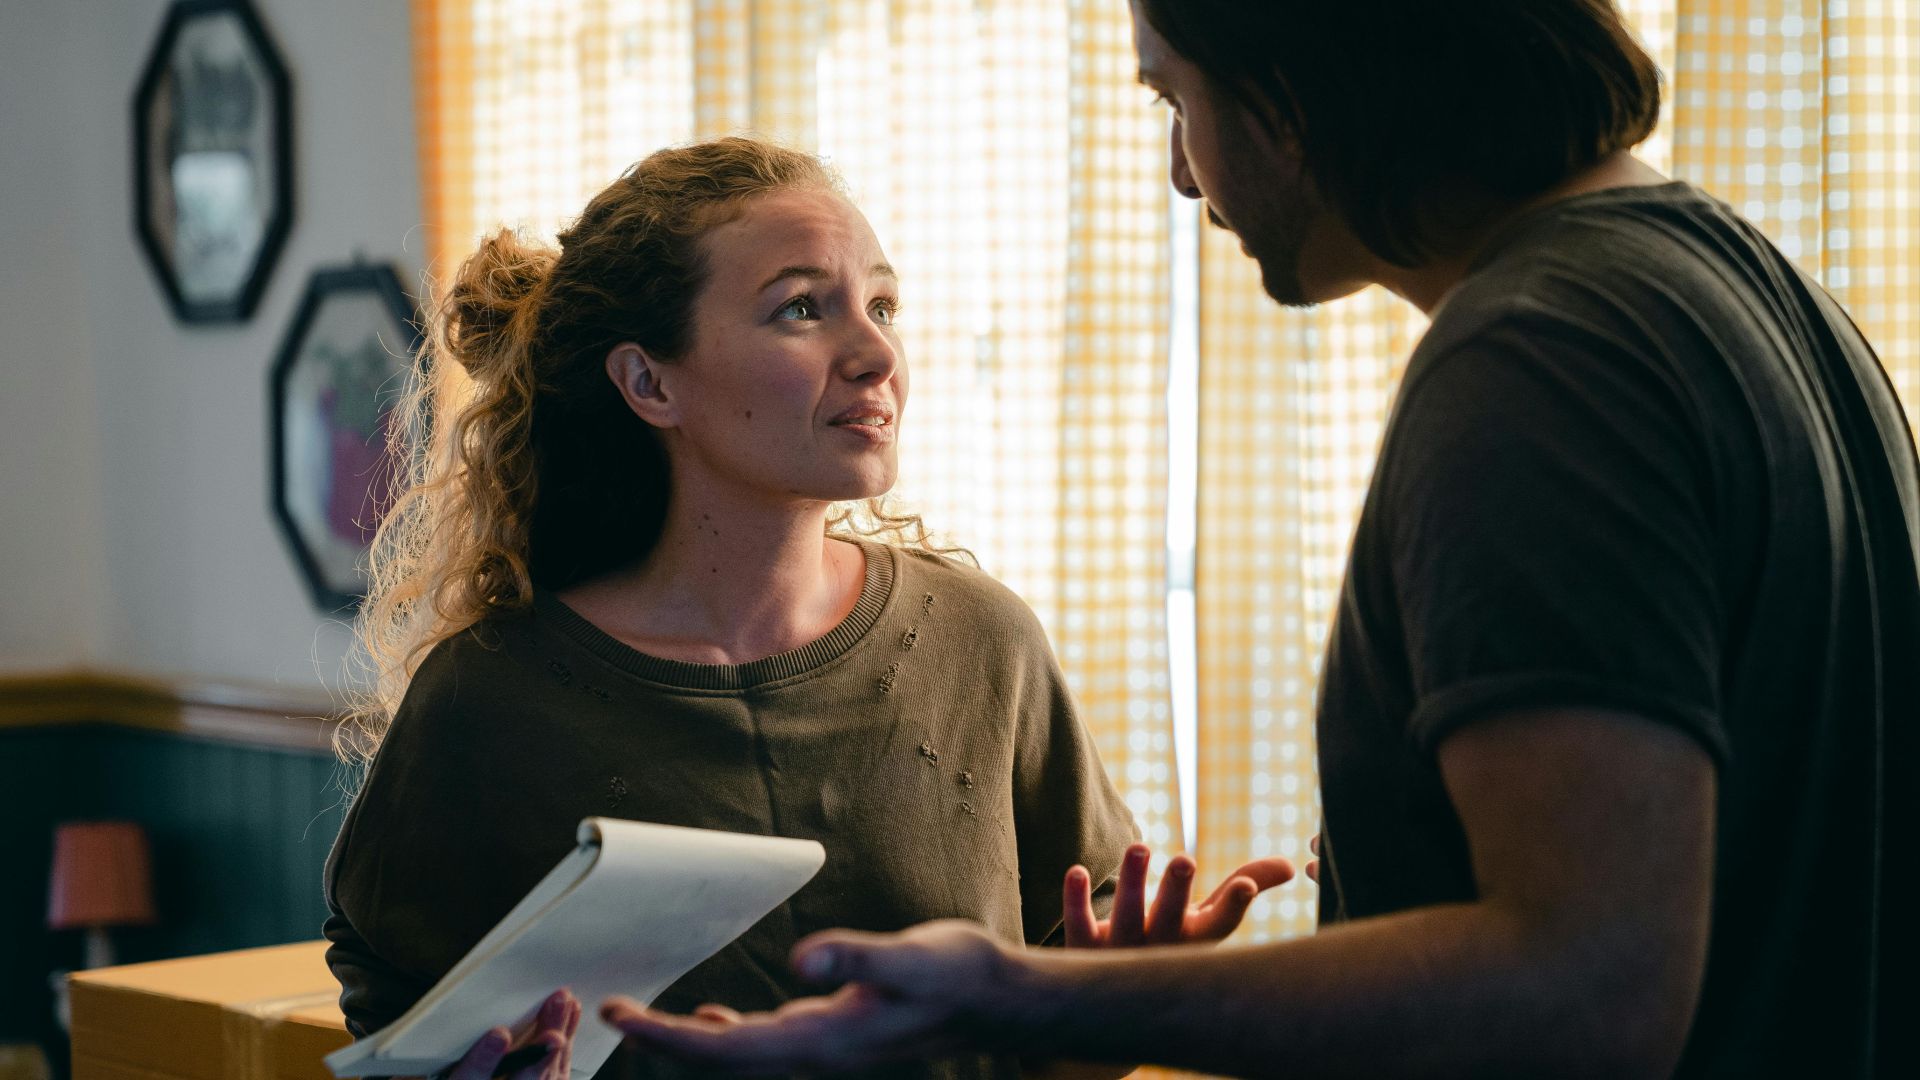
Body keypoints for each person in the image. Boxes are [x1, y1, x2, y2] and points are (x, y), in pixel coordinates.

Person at [602, 3, 1920, 1077]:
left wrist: (1016, 996)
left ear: (1294, 80)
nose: (1182, 171)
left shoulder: (1541, 359)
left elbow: (1589, 993)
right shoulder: (1759, 292)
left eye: (1178, 100)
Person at [321, 135, 1290, 1080]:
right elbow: (392, 995)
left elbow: (1051, 1030)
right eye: (800, 310)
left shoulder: (983, 642)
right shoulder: (489, 696)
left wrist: (1119, 1007)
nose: (875, 353)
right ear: (649, 382)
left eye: (882, 304)